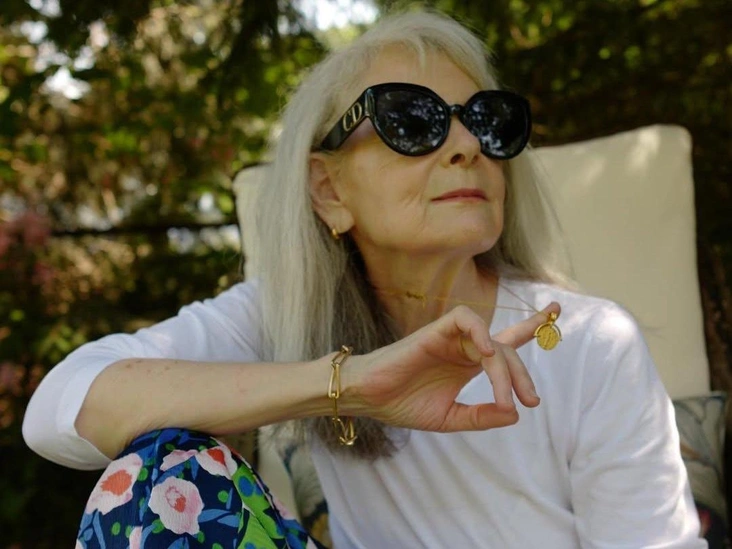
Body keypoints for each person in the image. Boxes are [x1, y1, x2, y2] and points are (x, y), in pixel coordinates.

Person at [23, 9, 706, 549]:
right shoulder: (290, 316)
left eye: (487, 121)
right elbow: (58, 409)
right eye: (412, 120)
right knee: (165, 474)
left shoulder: (585, 341)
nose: (467, 145)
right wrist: (347, 384)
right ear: (329, 191)